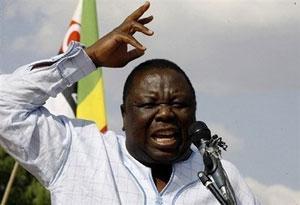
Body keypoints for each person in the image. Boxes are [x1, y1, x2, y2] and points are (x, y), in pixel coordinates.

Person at [0, 2, 259, 204]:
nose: (166, 114)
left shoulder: (222, 179)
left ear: (194, 114)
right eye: (149, 105)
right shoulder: (78, 153)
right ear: (124, 116)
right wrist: (88, 59)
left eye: (179, 104)